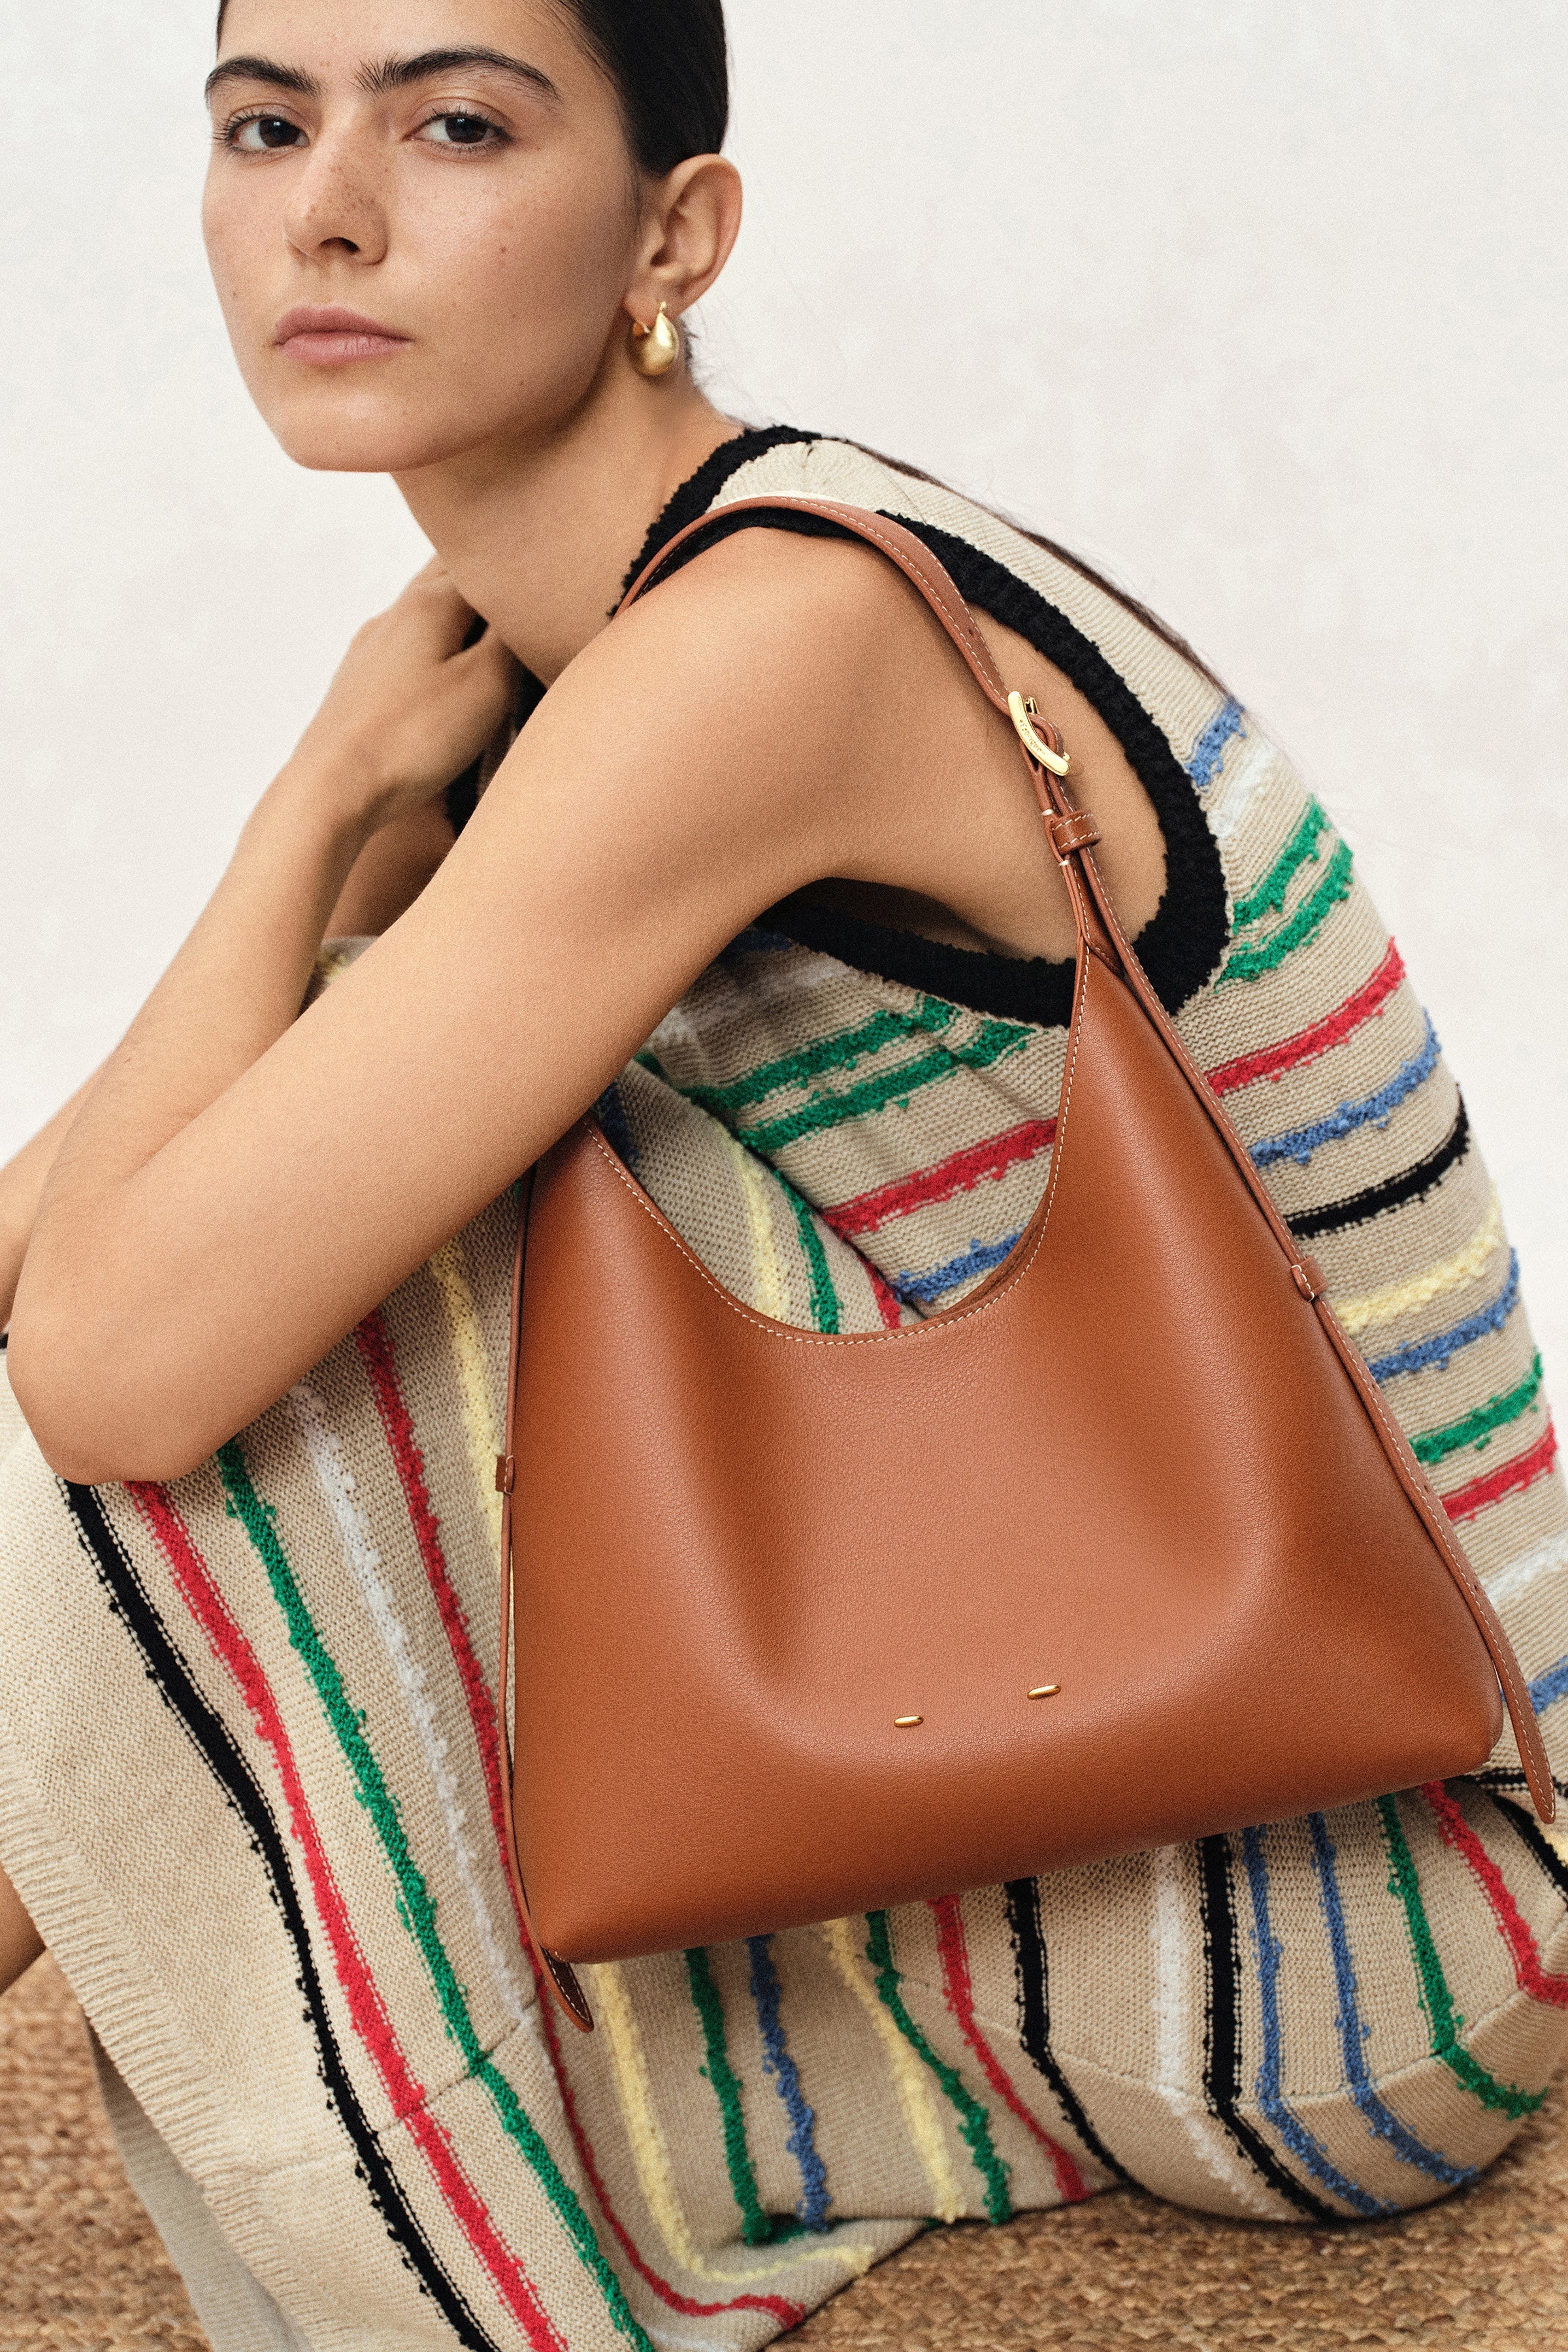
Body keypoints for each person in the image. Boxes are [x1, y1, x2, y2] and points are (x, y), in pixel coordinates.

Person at [2, 3, 1565, 2345]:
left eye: (455, 123)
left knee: (270, 1336)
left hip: (1354, 1911)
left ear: (676, 234)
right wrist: (334, 810)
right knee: (287, 1206)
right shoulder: (573, 647)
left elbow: (113, 1372)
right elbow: (74, 1232)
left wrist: (313, 809)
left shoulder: (770, 642)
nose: (325, 209)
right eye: (262, 123)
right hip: (1046, 1756)